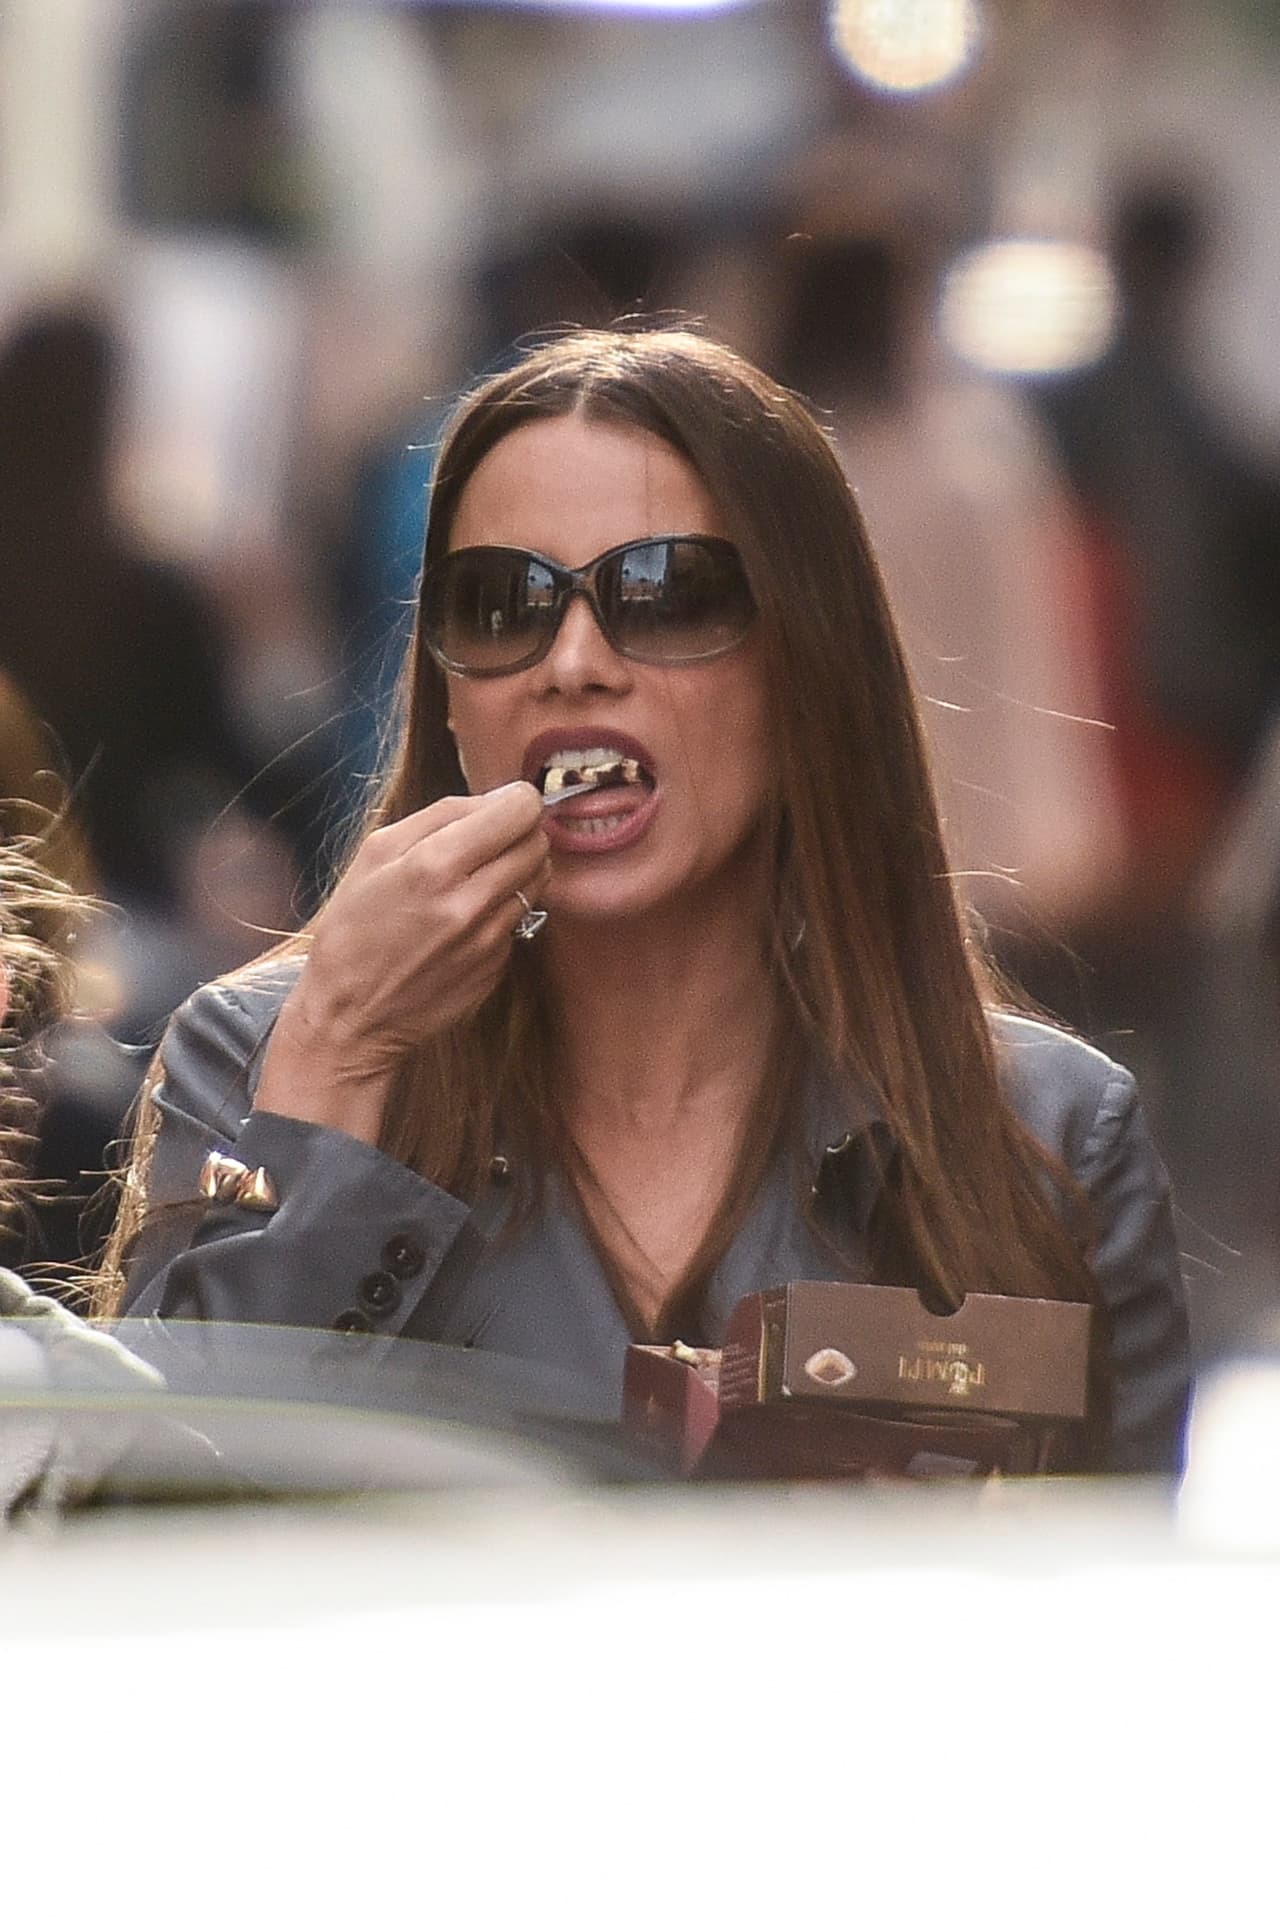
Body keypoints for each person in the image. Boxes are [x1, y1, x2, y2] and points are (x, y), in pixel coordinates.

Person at [103, 328, 1190, 1474]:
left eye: (664, 593)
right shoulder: (254, 1061)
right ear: (446, 690)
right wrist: (336, 1054)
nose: (572, 659)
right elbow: (157, 1544)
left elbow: (1117, 1619)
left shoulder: (1047, 1136)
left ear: (807, 665)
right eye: (502, 601)